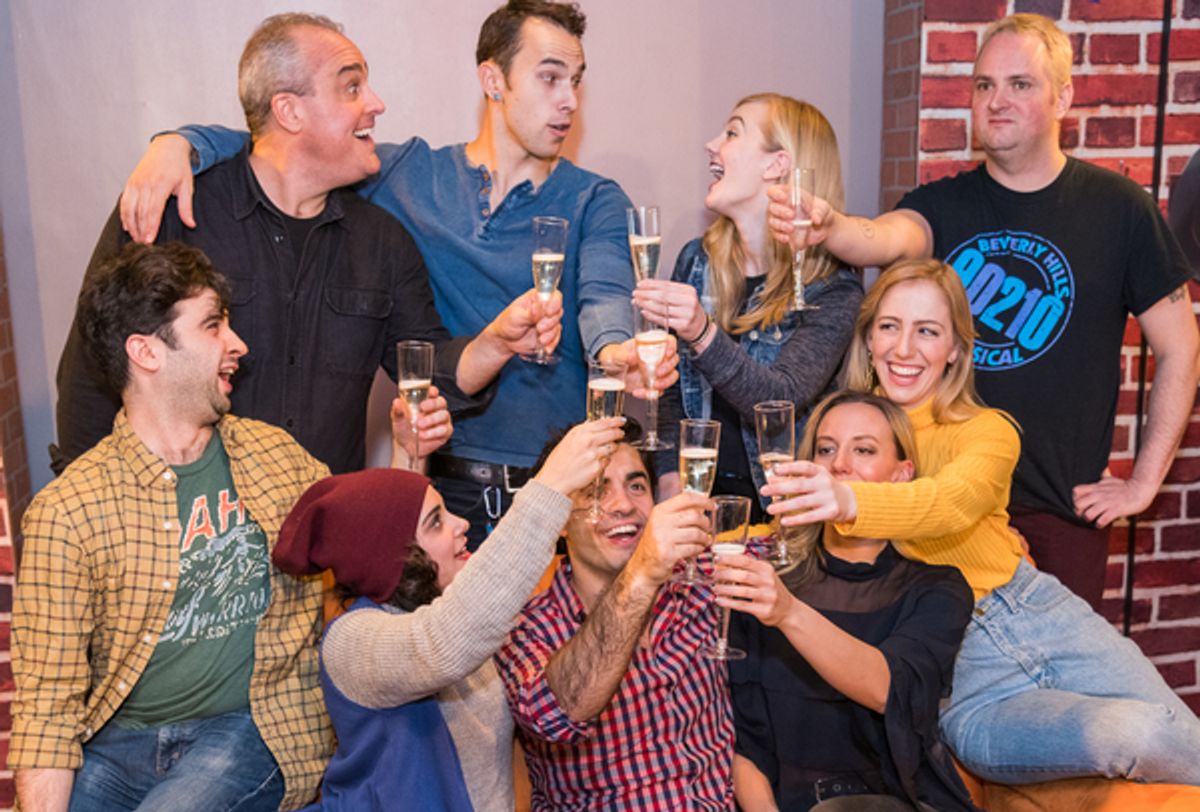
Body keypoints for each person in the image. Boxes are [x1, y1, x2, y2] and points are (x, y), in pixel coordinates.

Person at [115, 0, 676, 548]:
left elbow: (605, 296)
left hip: (558, 487)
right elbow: (286, 147)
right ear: (493, 79)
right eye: (551, 78)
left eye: (577, 80)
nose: (569, 101)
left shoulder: (594, 198)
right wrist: (181, 143)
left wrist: (616, 351)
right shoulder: (406, 173)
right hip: (445, 491)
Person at [767, 13, 1200, 610]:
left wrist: (1144, 482)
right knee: (939, 687)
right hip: (936, 503)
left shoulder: (1119, 209)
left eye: (1020, 84)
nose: (997, 101)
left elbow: (1181, 346)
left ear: (1063, 97)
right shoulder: (941, 203)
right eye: (983, 85)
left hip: (1059, 510)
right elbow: (877, 238)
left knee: (1058, 692)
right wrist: (829, 225)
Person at [54, 11, 562, 478]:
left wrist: (496, 343)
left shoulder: (382, 242)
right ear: (289, 111)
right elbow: (90, 376)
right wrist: (98, 515)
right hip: (188, 538)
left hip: (322, 551)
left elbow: (428, 370)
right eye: (351, 87)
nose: (376, 104)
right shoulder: (176, 210)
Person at [764, 258, 1200, 786]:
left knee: (1181, 737)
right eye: (889, 327)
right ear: (868, 341)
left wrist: (847, 500)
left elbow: (951, 502)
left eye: (927, 331)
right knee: (1137, 736)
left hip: (1039, 616)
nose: (904, 350)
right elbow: (792, 528)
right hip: (959, 674)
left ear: (955, 351)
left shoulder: (988, 432)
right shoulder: (845, 432)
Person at [12, 242, 332, 811]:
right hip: (115, 744)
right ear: (147, 352)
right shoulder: (68, 511)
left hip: (249, 727)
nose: (238, 345)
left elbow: (370, 546)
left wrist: (411, 454)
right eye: (213, 326)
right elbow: (48, 709)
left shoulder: (276, 458)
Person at [270, 418, 624, 811]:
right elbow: (439, 644)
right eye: (436, 522)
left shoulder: (458, 609)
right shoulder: (352, 640)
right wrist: (550, 487)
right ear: (394, 556)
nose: (463, 524)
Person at [714, 390, 975, 811]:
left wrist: (788, 613)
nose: (839, 465)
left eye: (864, 450)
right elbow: (747, 743)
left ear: (901, 475)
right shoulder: (767, 581)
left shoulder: (936, 589)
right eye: (826, 449)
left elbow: (887, 688)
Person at [633, 93, 862, 521]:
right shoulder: (697, 261)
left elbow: (780, 400)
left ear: (776, 165)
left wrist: (702, 333)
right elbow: (669, 394)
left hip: (783, 517)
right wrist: (669, 486)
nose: (711, 144)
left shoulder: (831, 288)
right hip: (698, 506)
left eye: (732, 132)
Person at [494, 433, 733, 809]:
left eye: (636, 485)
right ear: (557, 520)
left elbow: (793, 551)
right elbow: (555, 716)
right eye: (594, 491)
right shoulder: (524, 629)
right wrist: (643, 574)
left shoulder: (698, 580)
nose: (623, 505)